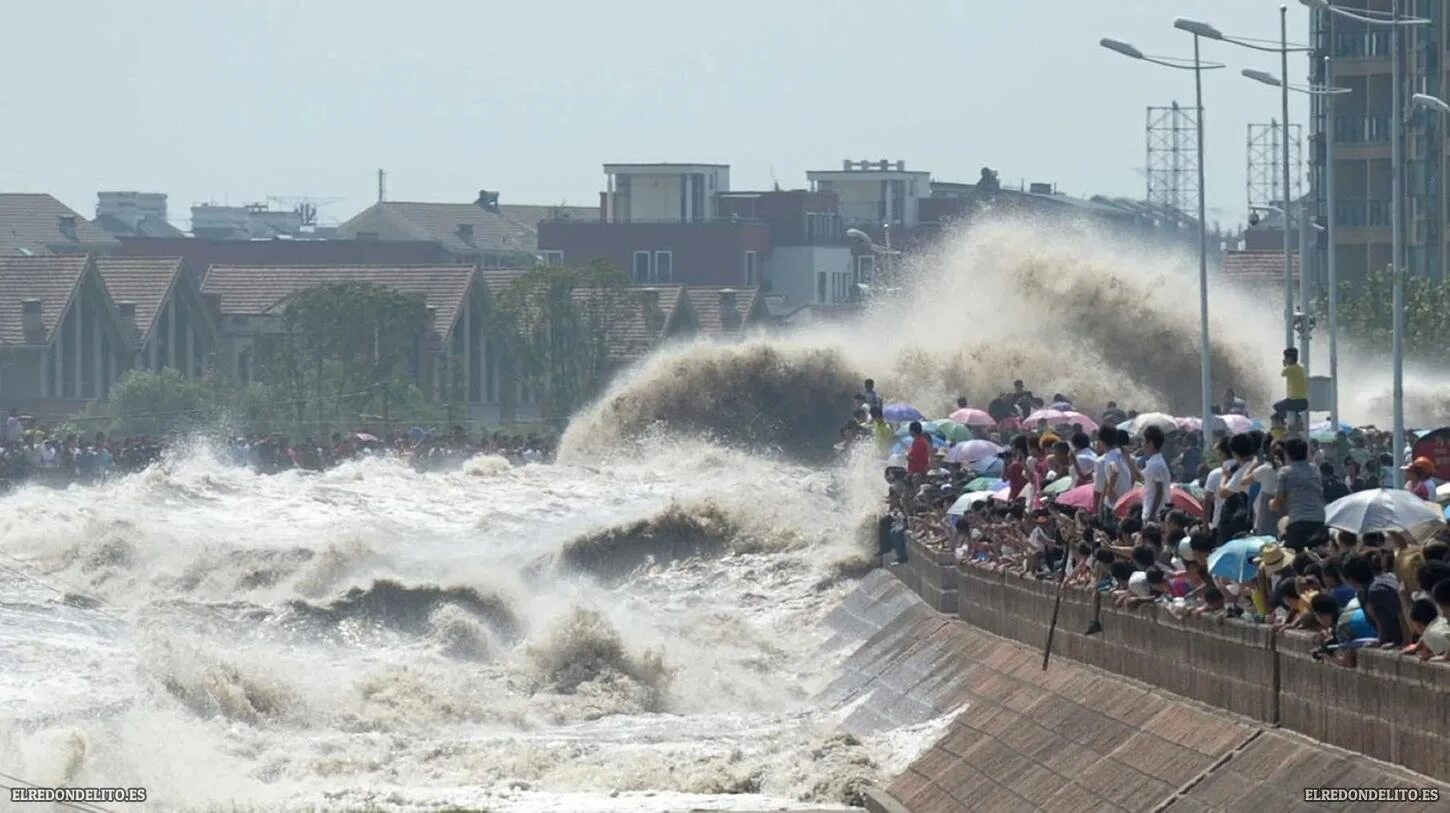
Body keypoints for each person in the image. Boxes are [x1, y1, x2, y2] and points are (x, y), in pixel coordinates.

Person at [1272, 438, 1326, 551]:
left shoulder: (1284, 472)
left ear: (1287, 454)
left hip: (1298, 522)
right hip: (1319, 520)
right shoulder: (1315, 469)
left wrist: (1271, 503)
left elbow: (1277, 504)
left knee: (1293, 557)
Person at [1140, 425, 1172, 522]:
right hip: (1149, 511)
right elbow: (1140, 477)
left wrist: (1152, 514)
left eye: (1143, 441)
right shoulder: (1153, 462)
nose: (1142, 444)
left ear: (1150, 443)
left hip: (1155, 514)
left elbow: (1159, 490)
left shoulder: (1157, 464)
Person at [1273, 347, 1309, 424]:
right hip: (1304, 401)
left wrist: (1285, 365)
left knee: (1276, 406)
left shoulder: (1290, 369)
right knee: (1284, 408)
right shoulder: (1301, 367)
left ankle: (1295, 419)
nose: (1284, 359)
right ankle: (1296, 418)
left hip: (1294, 401)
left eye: (1286, 357)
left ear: (1290, 358)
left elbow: (1283, 374)